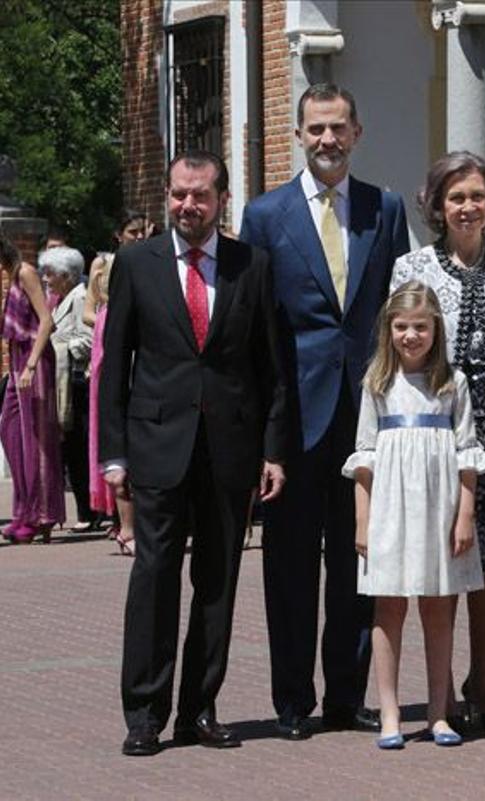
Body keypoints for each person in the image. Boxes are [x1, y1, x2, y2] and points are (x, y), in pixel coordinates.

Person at [100, 150, 287, 756]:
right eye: (179, 194)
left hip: (229, 452)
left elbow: (270, 369)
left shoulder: (252, 265)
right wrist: (113, 454)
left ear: (221, 200)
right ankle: (144, 715)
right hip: (157, 447)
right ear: (168, 196)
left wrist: (271, 451)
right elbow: (114, 369)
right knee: (154, 577)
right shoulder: (137, 263)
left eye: (199, 195)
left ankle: (199, 710)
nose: (187, 205)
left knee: (217, 583)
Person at [240, 83, 410, 740]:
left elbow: (401, 310)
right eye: (315, 129)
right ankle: (291, 701)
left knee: (358, 560)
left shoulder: (384, 208)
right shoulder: (265, 215)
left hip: (367, 415)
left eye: (338, 128)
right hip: (294, 417)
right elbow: (258, 330)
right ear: (299, 135)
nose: (327, 140)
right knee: (287, 566)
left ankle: (347, 693)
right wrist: (265, 437)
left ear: (357, 132)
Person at [390, 150, 485, 730]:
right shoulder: (412, 269)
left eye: (477, 196)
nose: (468, 207)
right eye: (456, 197)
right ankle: (440, 686)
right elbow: (401, 351)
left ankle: (484, 681)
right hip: (438, 440)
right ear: (435, 205)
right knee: (444, 563)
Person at [344, 282, 485, 749]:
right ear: (389, 330)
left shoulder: (453, 383)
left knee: (438, 605)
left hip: (439, 507)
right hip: (390, 508)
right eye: (402, 326)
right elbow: (363, 456)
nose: (411, 336)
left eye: (420, 327)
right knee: (389, 607)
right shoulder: (378, 383)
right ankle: (390, 712)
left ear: (436, 330)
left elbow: (468, 454)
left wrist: (464, 515)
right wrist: (362, 522)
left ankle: (438, 712)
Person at [86, 211, 150, 554]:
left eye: (142, 230)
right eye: (131, 231)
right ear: (118, 234)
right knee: (116, 435)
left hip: (144, 357)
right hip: (109, 344)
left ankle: (134, 523)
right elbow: (89, 308)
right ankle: (125, 525)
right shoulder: (104, 266)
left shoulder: (155, 259)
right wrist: (108, 319)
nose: (138, 236)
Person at [0, 234, 64, 543]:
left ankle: (42, 516)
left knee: (35, 440)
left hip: (33, 357)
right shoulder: (10, 275)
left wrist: (31, 364)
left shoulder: (25, 271)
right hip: (16, 358)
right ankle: (24, 511)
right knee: (10, 430)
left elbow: (46, 321)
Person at [42, 246, 95, 534]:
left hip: (75, 382)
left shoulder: (79, 296)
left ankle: (89, 511)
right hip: (62, 381)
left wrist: (58, 349)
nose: (46, 279)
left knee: (78, 450)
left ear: (66, 275)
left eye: (50, 274)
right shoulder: (59, 299)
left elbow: (88, 339)